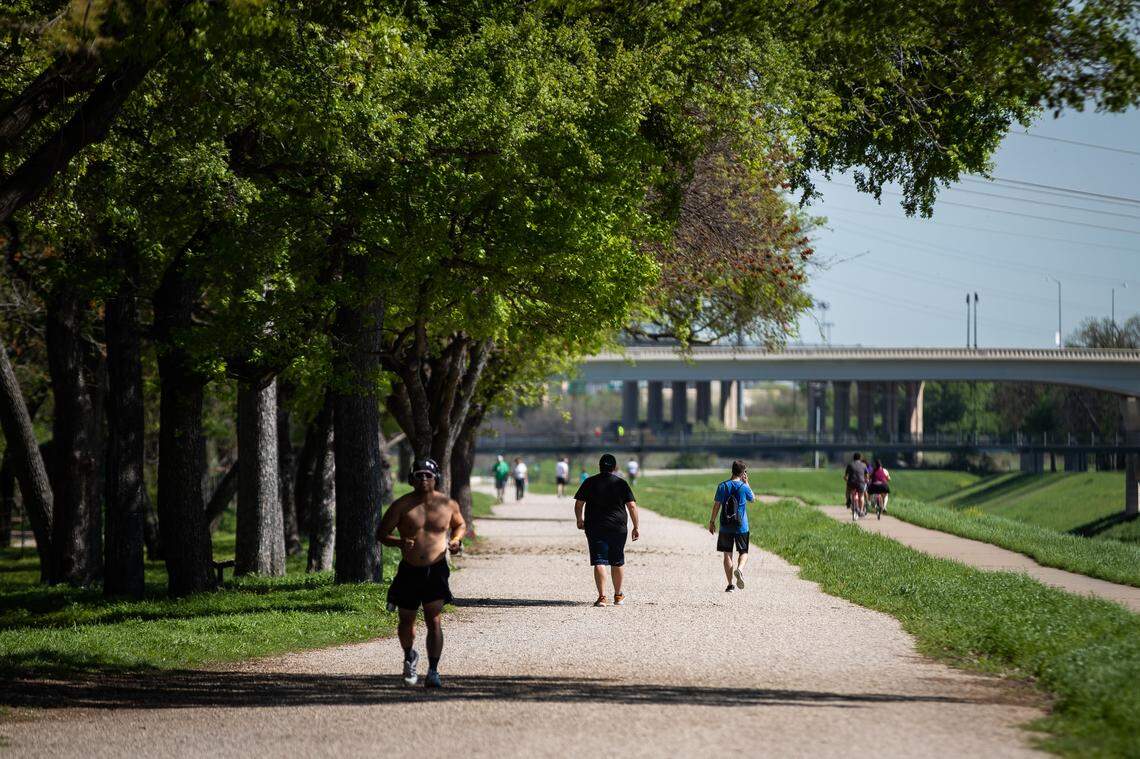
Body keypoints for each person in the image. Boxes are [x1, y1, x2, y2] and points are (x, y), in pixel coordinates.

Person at [378, 458, 466, 689]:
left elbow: (460, 525)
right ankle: (409, 656)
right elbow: (382, 533)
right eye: (419, 475)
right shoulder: (401, 505)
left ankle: (433, 671)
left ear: (436, 477)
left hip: (436, 570)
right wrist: (399, 542)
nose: (424, 479)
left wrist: (456, 540)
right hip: (409, 570)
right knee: (406, 620)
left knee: (433, 619)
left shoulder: (448, 504)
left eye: (428, 474)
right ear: (411, 479)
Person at [574, 453, 640, 607]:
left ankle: (602, 597)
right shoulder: (621, 483)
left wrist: (579, 519)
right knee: (617, 560)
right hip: (618, 527)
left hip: (595, 526)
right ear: (614, 467)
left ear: (600, 466)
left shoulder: (589, 482)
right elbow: (632, 506)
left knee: (599, 560)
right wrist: (636, 526)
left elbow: (579, 504)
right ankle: (618, 595)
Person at [707, 460, 755, 592]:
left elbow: (716, 505)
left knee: (727, 554)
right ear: (743, 473)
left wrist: (712, 521)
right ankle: (739, 569)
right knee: (743, 552)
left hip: (725, 526)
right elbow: (753, 499)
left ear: (732, 470)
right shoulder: (744, 487)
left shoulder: (722, 486)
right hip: (742, 526)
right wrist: (746, 483)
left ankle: (730, 585)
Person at [844, 452, 869, 519]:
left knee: (848, 489)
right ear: (860, 458)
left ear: (853, 458)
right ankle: (861, 511)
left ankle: (848, 500)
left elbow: (846, 476)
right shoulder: (864, 465)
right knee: (861, 496)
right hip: (861, 483)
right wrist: (866, 480)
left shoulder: (850, 465)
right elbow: (867, 475)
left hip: (851, 483)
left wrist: (846, 479)